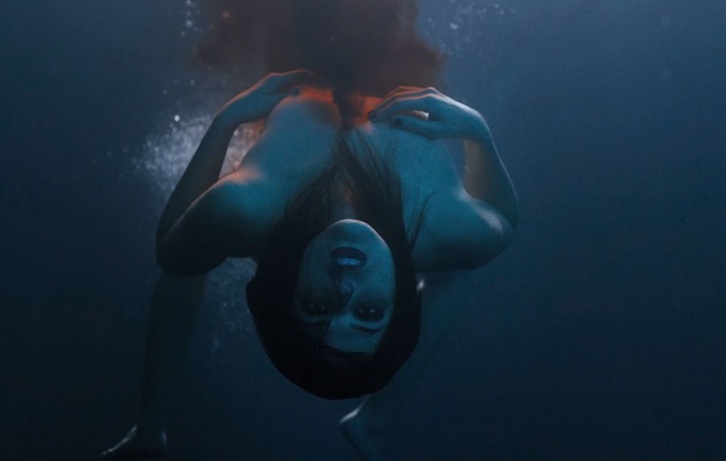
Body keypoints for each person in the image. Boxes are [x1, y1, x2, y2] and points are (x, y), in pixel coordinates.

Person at [101, 70, 519, 460]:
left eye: (318, 305)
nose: (345, 287)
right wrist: (477, 133)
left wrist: (226, 121)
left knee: (198, 250)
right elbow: (505, 218)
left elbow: (170, 255)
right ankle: (373, 420)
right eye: (368, 312)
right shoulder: (447, 230)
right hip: (387, 80)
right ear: (400, 298)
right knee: (455, 273)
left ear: (291, 287)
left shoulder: (244, 209)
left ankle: (150, 423)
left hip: (299, 73)